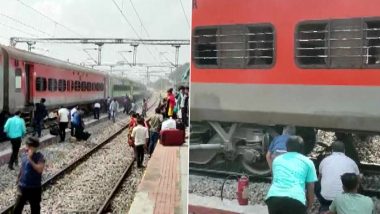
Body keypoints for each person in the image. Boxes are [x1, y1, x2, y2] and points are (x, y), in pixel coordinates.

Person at [265, 136, 317, 214]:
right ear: (302, 148)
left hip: (273, 199)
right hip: (296, 200)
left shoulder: (277, 160)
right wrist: (310, 205)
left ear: (287, 147)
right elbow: (311, 186)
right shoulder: (308, 162)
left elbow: (274, 179)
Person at [316, 141, 360, 212]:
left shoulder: (324, 161)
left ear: (332, 150)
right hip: (345, 199)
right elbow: (358, 180)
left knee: (317, 182)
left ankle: (324, 206)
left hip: (326, 197)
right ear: (344, 150)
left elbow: (319, 178)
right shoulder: (352, 162)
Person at [13, 137, 45, 214]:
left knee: (35, 209)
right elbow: (22, 167)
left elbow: (39, 169)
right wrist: (18, 178)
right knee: (17, 209)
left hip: (34, 188)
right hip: (22, 187)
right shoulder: (24, 154)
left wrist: (30, 159)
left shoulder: (40, 157)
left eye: (28, 145)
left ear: (33, 147)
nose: (26, 147)